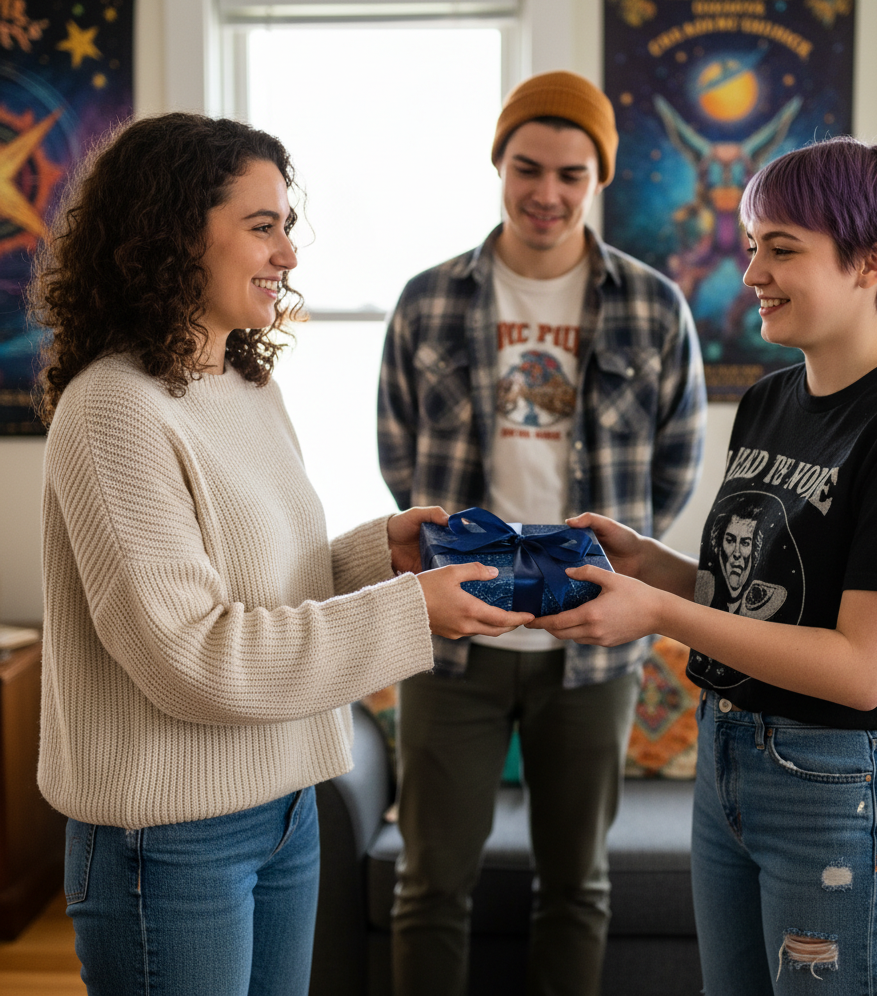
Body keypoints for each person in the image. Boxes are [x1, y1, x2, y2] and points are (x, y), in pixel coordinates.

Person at [30, 113, 531, 996]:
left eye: (287, 226)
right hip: (173, 842)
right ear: (173, 236)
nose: (289, 255)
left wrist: (383, 555)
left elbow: (267, 586)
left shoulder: (248, 384)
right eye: (262, 227)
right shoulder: (112, 410)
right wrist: (412, 612)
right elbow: (194, 656)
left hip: (287, 810)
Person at [530, 137, 877, 995]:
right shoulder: (774, 399)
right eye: (750, 247)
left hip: (845, 787)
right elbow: (757, 601)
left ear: (871, 262)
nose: (751, 274)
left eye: (782, 249)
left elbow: (860, 671)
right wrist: (656, 568)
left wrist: (658, 614)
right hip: (731, 756)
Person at [377, 71, 706, 996]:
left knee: (577, 885)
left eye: (572, 173)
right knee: (430, 883)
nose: (547, 194)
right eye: (527, 167)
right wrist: (458, 564)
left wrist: (598, 564)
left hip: (591, 644)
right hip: (452, 636)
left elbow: (675, 462)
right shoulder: (428, 300)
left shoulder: (652, 305)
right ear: (500, 164)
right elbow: (398, 453)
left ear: (597, 178)